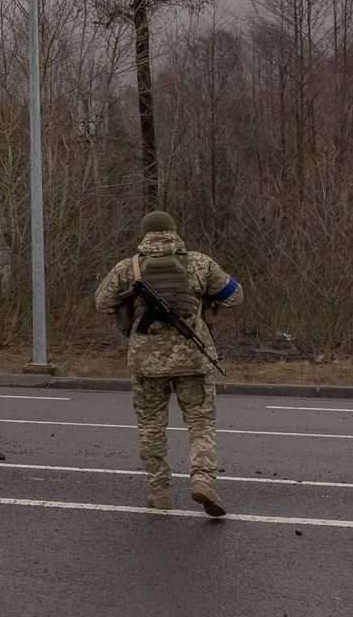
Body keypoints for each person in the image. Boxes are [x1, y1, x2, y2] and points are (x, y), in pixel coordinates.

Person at [95, 210, 243, 516]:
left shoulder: (129, 267)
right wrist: (207, 301)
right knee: (201, 424)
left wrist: (128, 297)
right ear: (174, 232)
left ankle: (159, 491)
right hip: (193, 357)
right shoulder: (200, 263)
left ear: (145, 234)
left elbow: (102, 302)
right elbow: (235, 295)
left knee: (151, 428)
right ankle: (203, 480)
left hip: (146, 362)